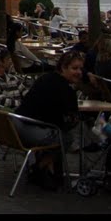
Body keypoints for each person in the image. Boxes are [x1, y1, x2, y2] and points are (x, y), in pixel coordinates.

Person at [14, 50, 84, 190]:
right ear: (63, 68)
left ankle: (49, 171)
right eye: (74, 68)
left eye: (81, 68)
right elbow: (70, 120)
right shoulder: (66, 90)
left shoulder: (45, 78)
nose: (79, 72)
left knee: (57, 134)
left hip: (15, 125)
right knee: (65, 138)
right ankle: (39, 169)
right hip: (30, 130)